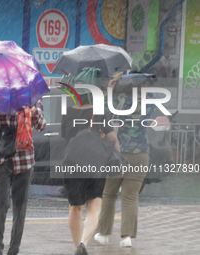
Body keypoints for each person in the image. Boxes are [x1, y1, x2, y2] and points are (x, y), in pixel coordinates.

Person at [94, 77, 154, 247]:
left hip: (117, 154)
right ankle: (126, 237)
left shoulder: (118, 102)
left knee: (109, 194)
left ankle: (104, 233)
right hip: (141, 153)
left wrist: (109, 92)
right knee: (131, 196)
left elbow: (102, 112)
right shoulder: (149, 103)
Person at [0, 100, 46, 255]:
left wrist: (34, 112)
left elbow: (41, 126)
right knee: (1, 204)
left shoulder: (33, 99)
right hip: (2, 158)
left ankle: (14, 248)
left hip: (24, 160)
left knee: (20, 206)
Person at [61, 89, 120, 255]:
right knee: (94, 207)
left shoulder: (67, 112)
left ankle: (76, 247)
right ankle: (83, 242)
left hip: (71, 163)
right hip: (94, 163)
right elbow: (112, 138)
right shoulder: (99, 112)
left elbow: (65, 135)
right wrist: (118, 160)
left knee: (75, 207)